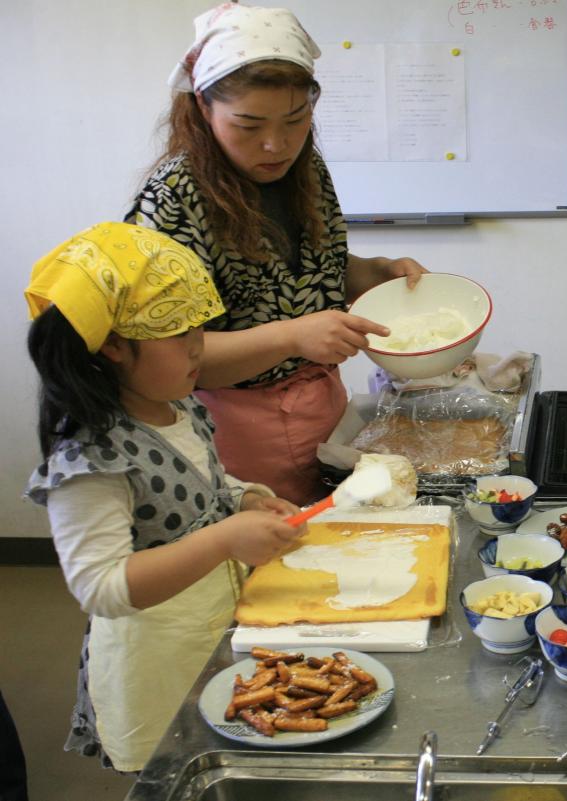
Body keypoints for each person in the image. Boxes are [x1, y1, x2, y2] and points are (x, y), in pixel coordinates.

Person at [23, 223, 304, 773]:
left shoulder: (181, 407)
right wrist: (224, 538)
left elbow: (209, 488)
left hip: (213, 631)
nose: (200, 345)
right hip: (154, 664)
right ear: (113, 345)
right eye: (179, 334)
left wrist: (245, 501)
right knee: (177, 767)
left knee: (223, 743)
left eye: (199, 326)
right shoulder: (92, 459)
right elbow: (100, 587)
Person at [128, 4, 428, 505]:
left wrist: (375, 273)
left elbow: (313, 272)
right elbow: (170, 355)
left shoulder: (304, 170)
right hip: (235, 429)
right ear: (204, 106)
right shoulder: (175, 198)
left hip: (322, 409)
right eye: (248, 125)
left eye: (296, 119)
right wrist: (293, 336)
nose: (276, 144)